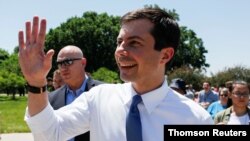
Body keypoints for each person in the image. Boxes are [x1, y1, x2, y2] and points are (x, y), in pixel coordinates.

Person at [19, 8, 213, 141]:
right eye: (119, 42)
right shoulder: (99, 99)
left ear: (165, 54)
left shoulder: (194, 120)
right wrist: (36, 83)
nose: (121, 50)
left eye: (134, 43)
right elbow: (50, 134)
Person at [49, 45, 103, 141]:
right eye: (60, 63)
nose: (63, 68)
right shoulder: (52, 98)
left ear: (83, 63)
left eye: (68, 62)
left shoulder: (103, 92)